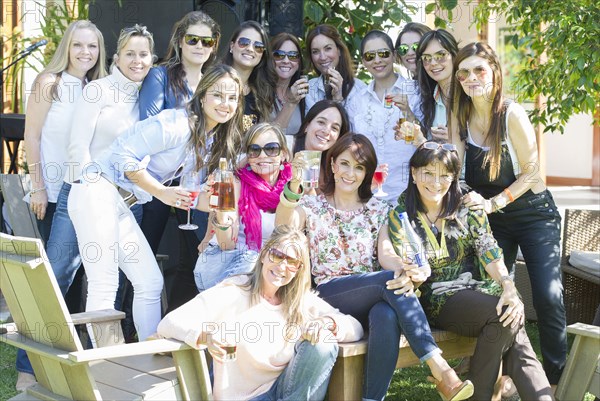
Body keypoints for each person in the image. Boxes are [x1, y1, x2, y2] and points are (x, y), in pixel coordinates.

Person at [276, 133, 473, 401]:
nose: (350, 173)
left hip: (372, 295)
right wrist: (295, 184)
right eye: (344, 164)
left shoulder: (378, 209)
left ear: (367, 174)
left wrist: (403, 270)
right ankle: (440, 368)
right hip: (328, 296)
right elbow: (282, 227)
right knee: (386, 284)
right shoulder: (312, 206)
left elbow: (386, 254)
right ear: (332, 164)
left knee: (386, 315)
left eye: (359, 167)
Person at [67, 64, 244, 341]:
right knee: (105, 283)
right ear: (203, 96)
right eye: (218, 95)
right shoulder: (176, 123)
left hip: (120, 202)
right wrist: (161, 192)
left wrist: (212, 204)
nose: (226, 103)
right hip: (94, 189)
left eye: (233, 98)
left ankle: (148, 355)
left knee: (150, 282)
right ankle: (102, 369)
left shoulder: (208, 138)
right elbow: (121, 157)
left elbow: (188, 194)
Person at [388, 141, 554, 400]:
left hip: (481, 292)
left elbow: (489, 249)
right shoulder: (401, 215)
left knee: (509, 317)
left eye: (445, 175)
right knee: (504, 317)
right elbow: (406, 264)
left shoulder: (468, 206)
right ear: (413, 173)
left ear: (454, 177)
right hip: (437, 297)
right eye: (428, 173)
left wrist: (508, 286)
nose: (436, 182)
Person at [450, 42, 566, 387]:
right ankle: (502, 379)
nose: (472, 78)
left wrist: (493, 203)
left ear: (495, 73)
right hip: (491, 221)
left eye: (479, 70)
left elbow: (532, 172)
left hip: (534, 216)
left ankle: (557, 380)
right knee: (495, 296)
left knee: (547, 296)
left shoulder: (511, 113)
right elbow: (458, 175)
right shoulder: (459, 116)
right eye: (464, 72)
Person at [158, 225, 364, 401]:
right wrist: (206, 336)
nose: (282, 266)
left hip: (283, 391)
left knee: (323, 343)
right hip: (239, 397)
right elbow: (170, 322)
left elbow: (355, 327)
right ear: (264, 254)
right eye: (277, 255)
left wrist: (326, 323)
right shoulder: (234, 291)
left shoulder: (301, 301)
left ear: (299, 269)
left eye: (292, 262)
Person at [18, 19, 106, 392]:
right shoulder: (49, 83)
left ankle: (62, 360)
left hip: (84, 195)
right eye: (78, 45)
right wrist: (38, 187)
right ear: (66, 48)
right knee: (52, 280)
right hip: (52, 194)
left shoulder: (96, 89)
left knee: (73, 282)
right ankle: (28, 365)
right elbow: (32, 136)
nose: (85, 52)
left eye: (92, 46)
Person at [137, 10, 220, 311]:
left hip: (197, 182)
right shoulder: (161, 75)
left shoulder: (215, 81)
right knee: (144, 251)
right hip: (159, 180)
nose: (199, 45)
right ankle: (128, 325)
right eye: (192, 39)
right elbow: (148, 125)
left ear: (213, 46)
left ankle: (181, 323)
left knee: (196, 255)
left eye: (206, 41)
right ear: (180, 41)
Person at [193, 123, 292, 291]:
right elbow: (227, 245)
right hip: (224, 263)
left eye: (271, 149)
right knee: (252, 260)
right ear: (248, 156)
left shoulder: (293, 187)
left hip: (271, 272)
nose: (262, 155)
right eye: (254, 150)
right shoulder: (234, 183)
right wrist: (221, 214)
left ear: (283, 154)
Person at [347, 30, 418, 202]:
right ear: (364, 61)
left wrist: (408, 113)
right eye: (370, 56)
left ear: (394, 56)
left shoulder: (416, 91)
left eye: (383, 54)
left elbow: (425, 140)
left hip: (409, 195)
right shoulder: (356, 100)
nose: (377, 60)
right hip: (366, 196)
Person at [222, 20, 277, 129]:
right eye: (244, 42)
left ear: (262, 54)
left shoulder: (262, 92)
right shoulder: (215, 82)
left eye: (258, 46)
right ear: (232, 46)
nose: (250, 49)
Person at [305, 24, 366, 112]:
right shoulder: (309, 88)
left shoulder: (360, 89)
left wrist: (338, 98)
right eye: (315, 51)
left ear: (339, 50)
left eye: (328, 48)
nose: (323, 57)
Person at [415, 29, 459, 142]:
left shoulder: (469, 93)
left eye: (440, 55)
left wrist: (457, 139)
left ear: (454, 55)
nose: (433, 63)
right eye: (427, 58)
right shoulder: (430, 98)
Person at [270, 32, 308, 149]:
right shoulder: (258, 92)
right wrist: (290, 103)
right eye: (279, 55)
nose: (286, 61)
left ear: (299, 62)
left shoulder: (303, 94)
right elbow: (269, 139)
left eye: (293, 56)